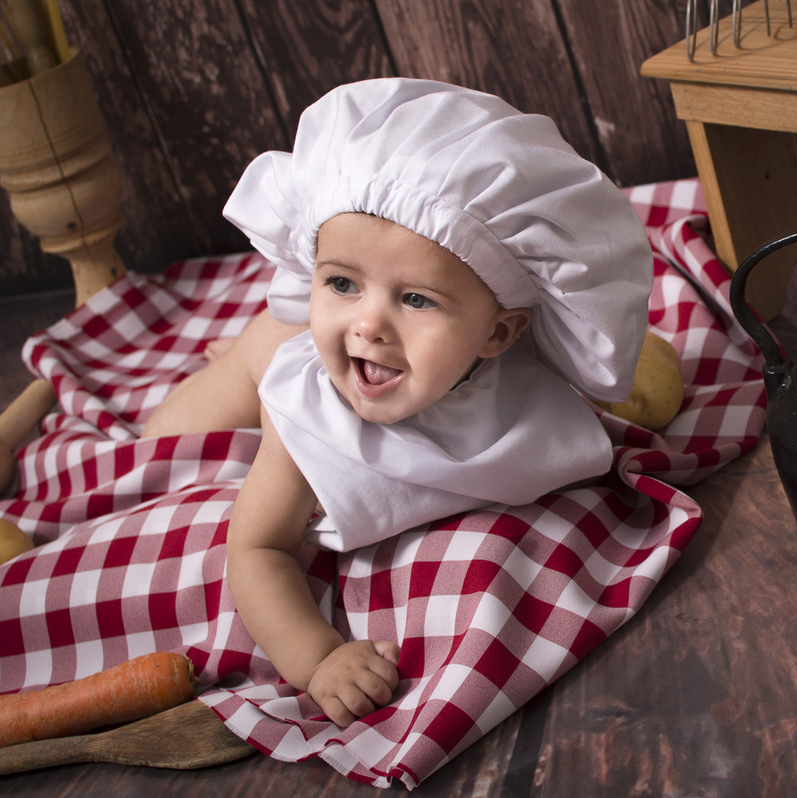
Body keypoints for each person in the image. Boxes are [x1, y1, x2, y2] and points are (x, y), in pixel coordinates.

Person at [141, 79, 653, 726]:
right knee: (161, 434)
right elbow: (256, 551)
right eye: (341, 283)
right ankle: (231, 355)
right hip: (272, 347)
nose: (369, 324)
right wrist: (318, 658)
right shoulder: (308, 418)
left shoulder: (526, 405)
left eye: (415, 299)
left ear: (498, 335)